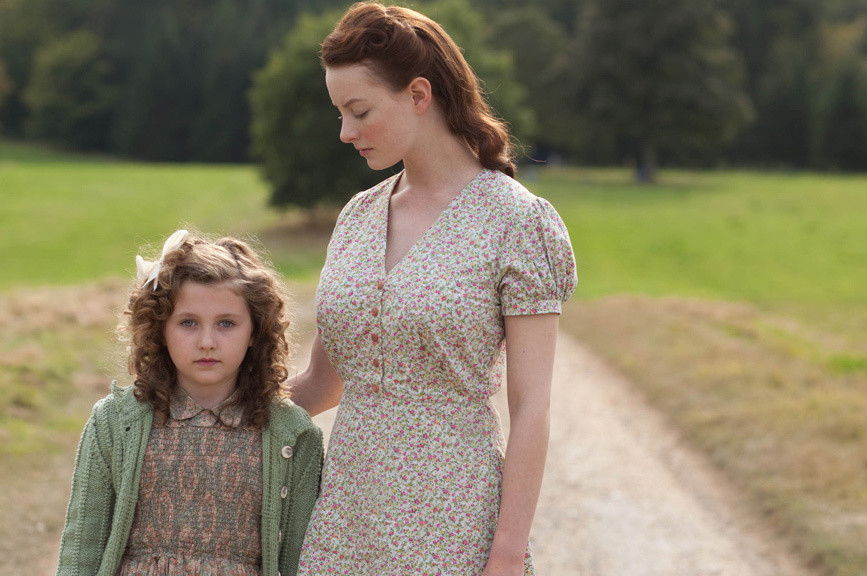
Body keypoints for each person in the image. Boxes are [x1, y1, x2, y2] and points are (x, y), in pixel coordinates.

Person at [290, 3, 577, 576]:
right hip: (343, 525)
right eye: (340, 114)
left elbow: (531, 409)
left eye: (359, 111)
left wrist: (507, 553)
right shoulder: (357, 217)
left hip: (453, 526)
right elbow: (322, 384)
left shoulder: (517, 222)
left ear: (418, 94)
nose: (345, 132)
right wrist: (203, 404)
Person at [56, 230, 324, 576]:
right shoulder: (114, 421)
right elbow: (82, 546)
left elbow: (299, 557)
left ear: (255, 332)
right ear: (160, 329)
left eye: (226, 323)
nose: (207, 342)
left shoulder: (294, 434)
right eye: (188, 323)